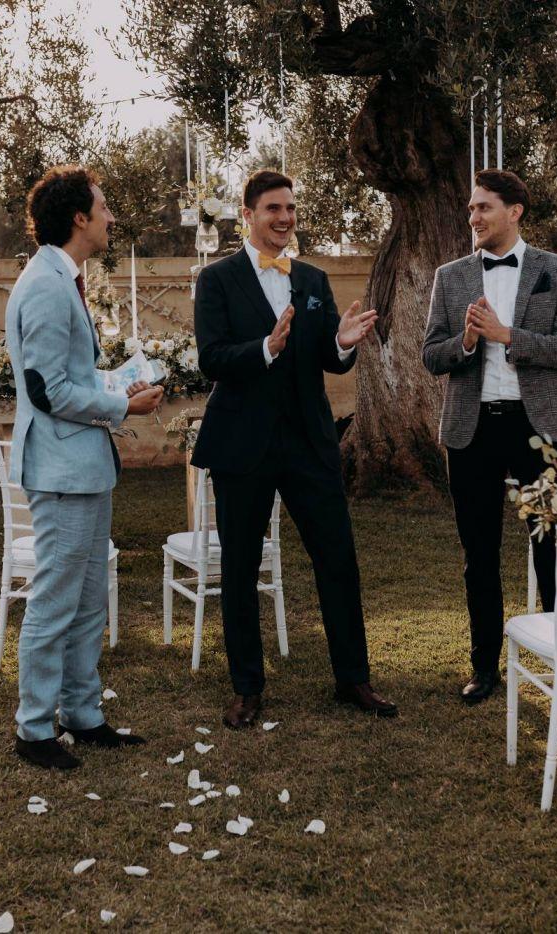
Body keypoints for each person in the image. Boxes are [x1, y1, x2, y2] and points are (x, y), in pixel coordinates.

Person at [191, 169, 397, 728]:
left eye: (290, 209)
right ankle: (247, 689)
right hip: (243, 444)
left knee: (338, 559)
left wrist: (342, 342)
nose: (284, 218)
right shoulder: (216, 280)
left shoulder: (312, 279)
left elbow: (329, 357)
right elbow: (211, 358)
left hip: (309, 443)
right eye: (273, 209)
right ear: (248, 215)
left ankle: (353, 679)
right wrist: (264, 347)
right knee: (239, 568)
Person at [5, 164, 164, 769]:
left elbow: (70, 376)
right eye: (103, 207)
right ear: (79, 218)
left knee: (90, 600)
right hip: (62, 471)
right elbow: (46, 391)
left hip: (85, 467)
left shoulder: (63, 277)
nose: (111, 217)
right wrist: (123, 406)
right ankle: (33, 730)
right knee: (55, 602)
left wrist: (118, 382)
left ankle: (82, 714)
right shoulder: (47, 286)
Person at [421, 169, 557, 717]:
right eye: (471, 208)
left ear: (514, 211)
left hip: (538, 431)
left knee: (552, 550)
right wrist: (468, 342)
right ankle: (484, 667)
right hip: (470, 431)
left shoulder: (556, 271)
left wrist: (507, 336)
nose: (473, 217)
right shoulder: (450, 277)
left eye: (484, 207)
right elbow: (431, 355)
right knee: (479, 554)